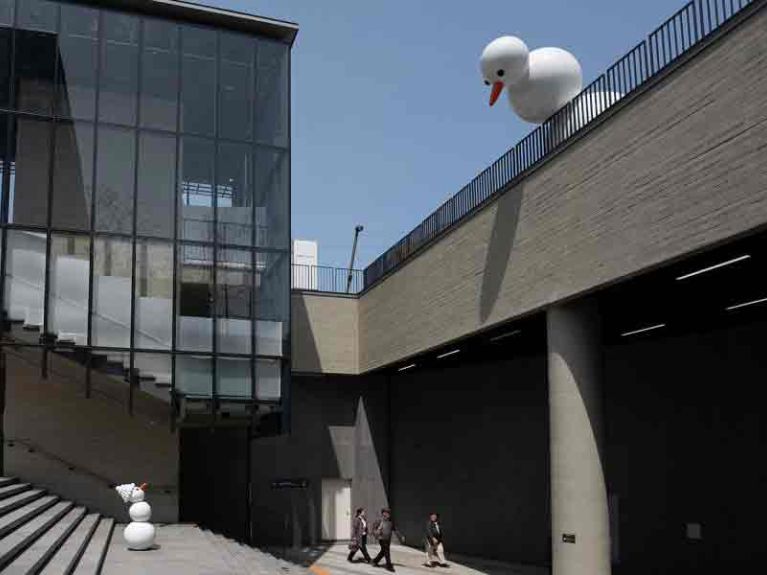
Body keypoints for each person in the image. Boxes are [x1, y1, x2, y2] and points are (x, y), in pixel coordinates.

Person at [372, 508, 405, 572]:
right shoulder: (379, 521)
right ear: (383, 513)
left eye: (388, 513)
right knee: (387, 552)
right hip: (382, 539)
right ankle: (389, 566)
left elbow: (395, 530)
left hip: (388, 539)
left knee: (383, 552)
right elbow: (373, 529)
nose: (388, 514)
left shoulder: (390, 522)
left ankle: (375, 561)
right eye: (386, 513)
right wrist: (376, 533)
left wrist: (401, 536)